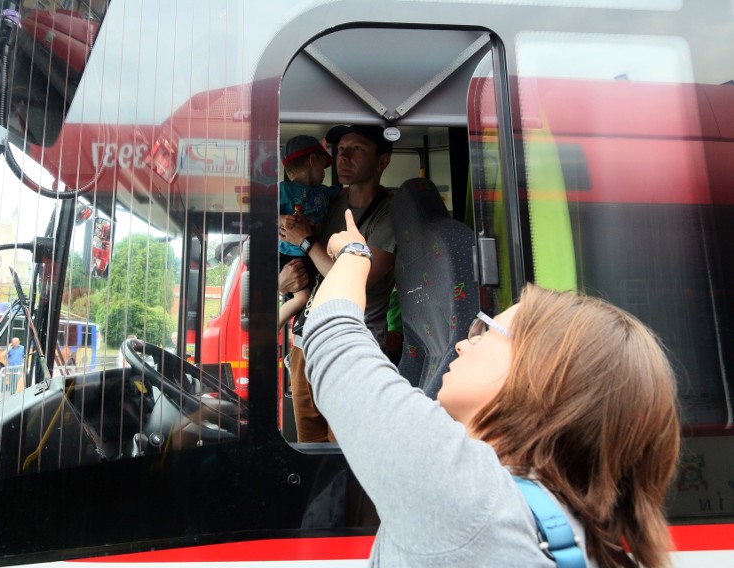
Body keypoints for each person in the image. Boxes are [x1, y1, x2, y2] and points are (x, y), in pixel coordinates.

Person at [301, 209, 681, 567]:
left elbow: (333, 336)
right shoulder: (574, 527)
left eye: (486, 331)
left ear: (541, 378)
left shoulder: (465, 495)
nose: (464, 343)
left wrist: (353, 253)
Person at [280, 124, 396, 443]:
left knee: (345, 451)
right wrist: (282, 282)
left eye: (355, 148)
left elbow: (354, 282)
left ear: (381, 162)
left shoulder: (389, 216)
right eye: (340, 149)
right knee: (309, 447)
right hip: (307, 342)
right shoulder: (329, 202)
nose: (343, 156)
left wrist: (307, 242)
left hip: (353, 348)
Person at [277, 135, 338, 329]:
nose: (324, 173)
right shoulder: (283, 190)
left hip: (312, 252)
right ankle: (273, 325)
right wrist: (279, 219)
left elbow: (345, 193)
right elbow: (258, 214)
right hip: (289, 254)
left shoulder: (322, 192)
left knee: (317, 293)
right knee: (302, 297)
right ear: (313, 160)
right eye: (323, 166)